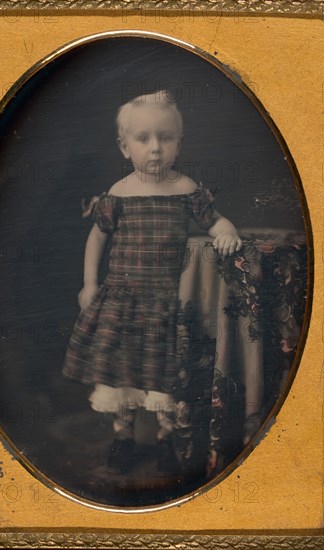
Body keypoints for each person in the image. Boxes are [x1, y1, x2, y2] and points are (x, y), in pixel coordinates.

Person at [62, 90, 242, 475]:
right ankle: (122, 436)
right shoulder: (119, 193)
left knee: (165, 374)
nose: (155, 149)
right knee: (122, 372)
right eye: (143, 139)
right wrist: (89, 284)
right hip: (124, 300)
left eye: (166, 138)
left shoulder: (187, 192)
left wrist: (227, 232)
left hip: (165, 302)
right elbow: (97, 237)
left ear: (180, 143)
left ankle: (165, 440)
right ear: (125, 147)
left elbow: (216, 221)